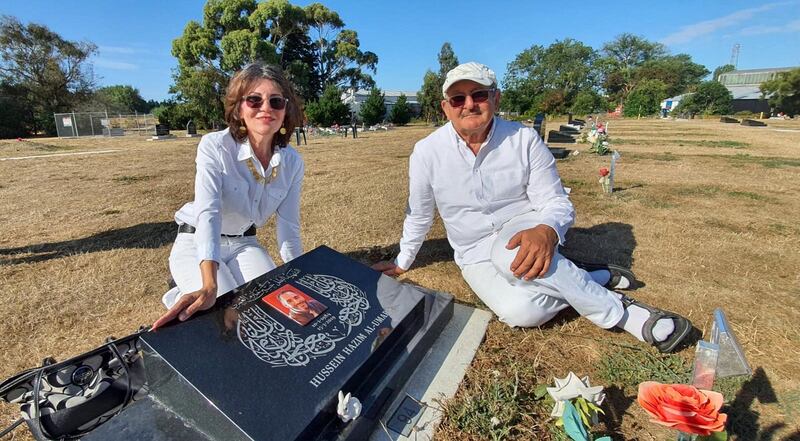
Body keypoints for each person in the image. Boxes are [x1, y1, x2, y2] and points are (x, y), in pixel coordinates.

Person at [372, 62, 691, 353]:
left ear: (495, 99)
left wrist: (547, 230)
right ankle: (589, 277)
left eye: (478, 94)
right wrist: (403, 260)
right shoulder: (427, 152)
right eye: (458, 99)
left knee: (509, 253)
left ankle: (624, 313)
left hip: (522, 225)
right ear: (446, 108)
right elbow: (420, 212)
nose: (469, 104)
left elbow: (554, 201)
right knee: (522, 313)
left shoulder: (523, 139)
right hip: (472, 251)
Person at [152, 62, 305, 330]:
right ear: (239, 108)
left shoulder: (292, 162)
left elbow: (288, 227)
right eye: (254, 100)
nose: (265, 108)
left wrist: (299, 276)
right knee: (221, 311)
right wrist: (209, 283)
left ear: (286, 110)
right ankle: (185, 289)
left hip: (245, 244)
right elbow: (208, 214)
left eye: (276, 101)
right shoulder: (215, 146)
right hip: (196, 240)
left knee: (268, 307)